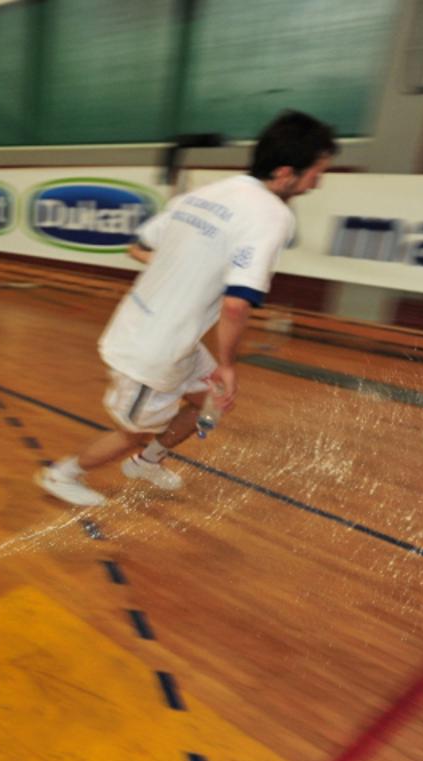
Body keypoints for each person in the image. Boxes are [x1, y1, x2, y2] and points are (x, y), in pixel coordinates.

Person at [36, 110, 338, 505]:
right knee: (133, 430)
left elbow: (138, 246)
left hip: (172, 335)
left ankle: (148, 462)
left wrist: (181, 268)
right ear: (285, 173)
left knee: (209, 400)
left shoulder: (208, 193)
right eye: (316, 174)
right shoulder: (272, 215)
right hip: (151, 346)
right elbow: (235, 305)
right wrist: (228, 365)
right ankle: (63, 474)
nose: (316, 184)